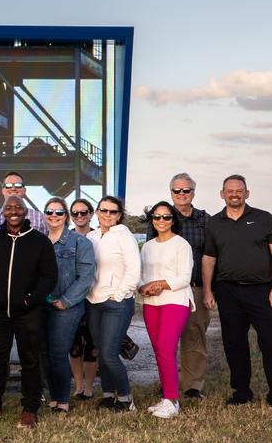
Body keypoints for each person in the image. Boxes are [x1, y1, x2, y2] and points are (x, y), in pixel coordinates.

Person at [202, 175, 272, 414]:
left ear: (247, 193)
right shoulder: (214, 223)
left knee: (271, 342)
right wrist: (208, 290)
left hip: (262, 291)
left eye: (239, 190)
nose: (234, 194)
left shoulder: (263, 218)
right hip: (227, 290)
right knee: (234, 343)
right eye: (229, 190)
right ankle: (241, 391)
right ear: (222, 194)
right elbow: (209, 259)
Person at [0, 195, 58, 429]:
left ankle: (30, 408)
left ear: (26, 212)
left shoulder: (40, 241)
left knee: (30, 361)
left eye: (18, 207)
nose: (13, 211)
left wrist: (30, 299)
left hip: (28, 312)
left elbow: (49, 277)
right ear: (3, 212)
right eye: (8, 208)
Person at [146, 173, 212, 400]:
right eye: (177, 191)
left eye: (186, 190)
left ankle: (192, 385)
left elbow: (212, 255)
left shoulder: (205, 220)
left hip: (194, 286)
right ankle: (168, 382)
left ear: (193, 192)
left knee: (194, 336)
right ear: (171, 192)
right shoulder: (160, 217)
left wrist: (210, 289)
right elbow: (149, 254)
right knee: (165, 342)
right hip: (160, 292)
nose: (181, 194)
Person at [139, 201, 195, 419]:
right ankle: (166, 398)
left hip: (176, 299)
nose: (161, 221)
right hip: (151, 303)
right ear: (152, 219)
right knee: (158, 350)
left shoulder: (182, 244)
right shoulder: (148, 246)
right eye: (157, 217)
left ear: (173, 220)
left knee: (165, 347)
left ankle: (172, 401)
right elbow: (141, 274)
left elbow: (184, 278)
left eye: (166, 217)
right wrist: (144, 287)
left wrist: (160, 284)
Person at [85, 195, 141, 413]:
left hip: (116, 303)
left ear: (119, 215)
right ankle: (109, 395)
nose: (107, 215)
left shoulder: (124, 235)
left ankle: (126, 400)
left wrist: (118, 295)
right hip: (93, 302)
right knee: (101, 351)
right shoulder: (92, 236)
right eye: (104, 210)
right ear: (97, 212)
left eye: (113, 212)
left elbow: (134, 269)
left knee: (109, 353)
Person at [41, 197, 96, 414]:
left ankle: (62, 399)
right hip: (40, 305)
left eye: (59, 212)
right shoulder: (38, 240)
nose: (54, 216)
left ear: (66, 216)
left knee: (58, 352)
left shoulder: (79, 242)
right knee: (43, 353)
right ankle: (52, 396)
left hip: (67, 306)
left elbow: (86, 277)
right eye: (49, 211)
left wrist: (65, 301)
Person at [67, 198, 98, 399]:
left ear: (91, 214)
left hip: (95, 297)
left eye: (83, 212)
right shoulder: (66, 238)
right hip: (73, 297)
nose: (80, 216)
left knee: (93, 345)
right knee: (75, 345)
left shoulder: (99, 237)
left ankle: (89, 387)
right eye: (75, 213)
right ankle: (78, 386)